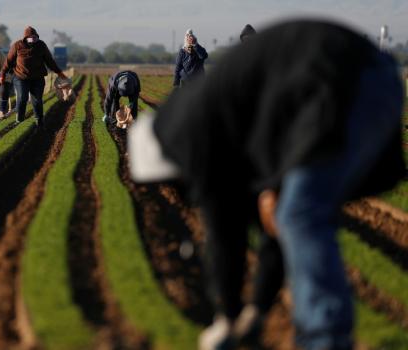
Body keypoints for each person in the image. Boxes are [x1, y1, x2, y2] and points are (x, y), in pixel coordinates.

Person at [128, 20, 405, 350]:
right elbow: (268, 226)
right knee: (290, 212)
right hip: (365, 79)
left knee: (299, 214)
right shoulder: (213, 128)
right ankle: (320, 331)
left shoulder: (193, 135)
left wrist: (227, 318)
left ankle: (327, 339)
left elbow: (223, 235)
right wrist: (256, 311)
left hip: (340, 82)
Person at [0, 26, 68, 129]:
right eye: (30, 37)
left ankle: (39, 121)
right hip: (20, 77)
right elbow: (8, 61)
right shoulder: (17, 45)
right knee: (22, 97)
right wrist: (2, 74)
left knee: (37, 100)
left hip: (37, 78)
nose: (33, 39)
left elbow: (49, 61)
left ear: (37, 37)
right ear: (25, 38)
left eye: (35, 37)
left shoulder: (41, 45)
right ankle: (20, 119)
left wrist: (59, 72)